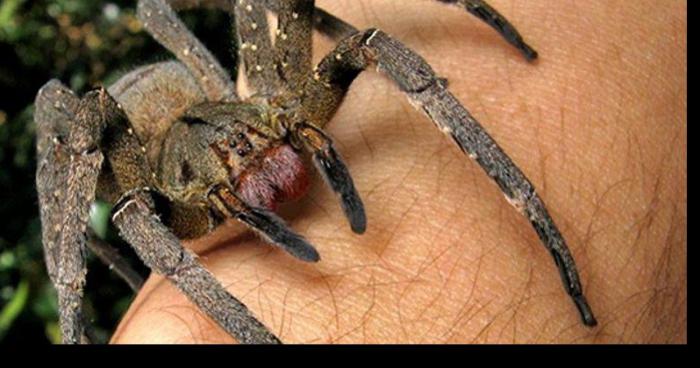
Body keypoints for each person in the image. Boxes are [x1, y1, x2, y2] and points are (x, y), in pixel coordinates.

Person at [111, 0, 686, 343]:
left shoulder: (281, 96)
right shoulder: (159, 201)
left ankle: (542, 226)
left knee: (366, 43)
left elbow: (361, 40)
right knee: (89, 129)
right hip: (159, 154)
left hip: (225, 95)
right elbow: (131, 205)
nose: (250, 153)